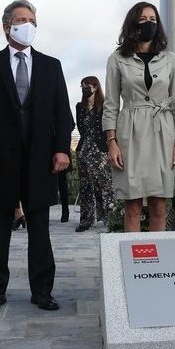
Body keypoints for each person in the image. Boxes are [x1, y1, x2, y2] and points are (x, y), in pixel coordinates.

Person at [0, 0, 73, 312]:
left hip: (41, 161)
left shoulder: (51, 65)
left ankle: (42, 291)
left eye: (32, 20)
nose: (27, 24)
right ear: (6, 26)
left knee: (40, 232)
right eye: (21, 19)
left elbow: (62, 113)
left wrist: (61, 149)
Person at [103, 1, 175, 232]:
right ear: (132, 24)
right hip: (130, 131)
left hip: (163, 132)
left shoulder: (171, 59)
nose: (149, 23)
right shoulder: (117, 58)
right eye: (142, 19)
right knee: (132, 206)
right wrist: (112, 143)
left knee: (160, 205)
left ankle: (156, 264)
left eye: (153, 19)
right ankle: (135, 265)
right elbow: (110, 104)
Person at [75, 76, 115, 232]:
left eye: (86, 86)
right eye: (82, 86)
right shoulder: (80, 107)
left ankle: (111, 218)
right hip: (84, 149)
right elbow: (80, 128)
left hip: (100, 150)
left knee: (105, 186)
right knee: (85, 186)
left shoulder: (105, 106)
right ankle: (86, 219)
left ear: (95, 87)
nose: (84, 89)